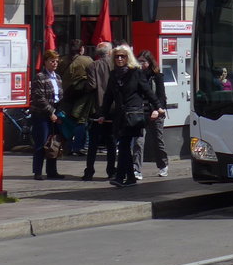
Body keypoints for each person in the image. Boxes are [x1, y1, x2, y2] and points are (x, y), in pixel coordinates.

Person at [98, 45, 162, 187]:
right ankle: (131, 178)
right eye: (117, 56)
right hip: (120, 116)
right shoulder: (114, 74)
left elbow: (147, 91)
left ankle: (120, 177)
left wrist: (158, 106)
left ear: (128, 58)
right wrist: (103, 114)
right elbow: (108, 96)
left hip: (132, 115)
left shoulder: (135, 73)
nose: (120, 59)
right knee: (125, 146)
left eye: (123, 56)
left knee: (124, 144)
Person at [28, 49, 66, 180]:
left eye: (56, 61)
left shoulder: (58, 77)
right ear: (45, 62)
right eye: (52, 61)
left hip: (55, 112)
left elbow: (60, 96)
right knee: (41, 142)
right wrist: (50, 112)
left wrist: (58, 113)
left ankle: (52, 171)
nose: (55, 63)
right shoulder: (40, 77)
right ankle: (37, 171)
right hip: (41, 114)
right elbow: (39, 97)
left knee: (53, 143)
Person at [82, 42, 115, 181]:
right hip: (112, 108)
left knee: (93, 143)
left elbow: (92, 86)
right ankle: (111, 170)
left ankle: (89, 171)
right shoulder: (114, 65)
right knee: (111, 142)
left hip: (96, 108)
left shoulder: (92, 66)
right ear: (109, 53)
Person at [134, 50, 170, 178]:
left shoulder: (157, 76)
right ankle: (137, 169)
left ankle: (163, 165)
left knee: (157, 141)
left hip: (155, 112)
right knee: (139, 141)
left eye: (143, 61)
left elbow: (161, 96)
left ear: (149, 62)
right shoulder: (136, 76)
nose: (140, 64)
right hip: (140, 112)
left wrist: (157, 109)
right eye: (139, 61)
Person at [62, 38, 93, 154]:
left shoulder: (62, 60)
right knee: (81, 121)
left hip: (66, 94)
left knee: (68, 121)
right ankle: (78, 147)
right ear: (81, 49)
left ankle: (68, 146)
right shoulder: (87, 60)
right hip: (82, 96)